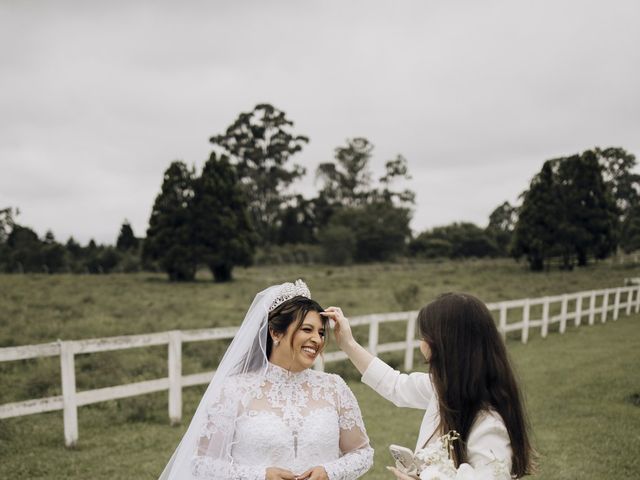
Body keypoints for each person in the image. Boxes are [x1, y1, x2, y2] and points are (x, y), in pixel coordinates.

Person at [159, 280, 373, 480]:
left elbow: (362, 454)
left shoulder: (334, 387)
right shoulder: (234, 390)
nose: (317, 339)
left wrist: (329, 471)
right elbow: (203, 465)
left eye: (321, 333)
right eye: (307, 329)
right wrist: (260, 476)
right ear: (275, 332)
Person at [322, 292, 535, 479]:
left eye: (425, 336)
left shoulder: (489, 424)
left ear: (445, 345)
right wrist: (348, 344)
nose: (421, 343)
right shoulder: (444, 389)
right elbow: (395, 385)